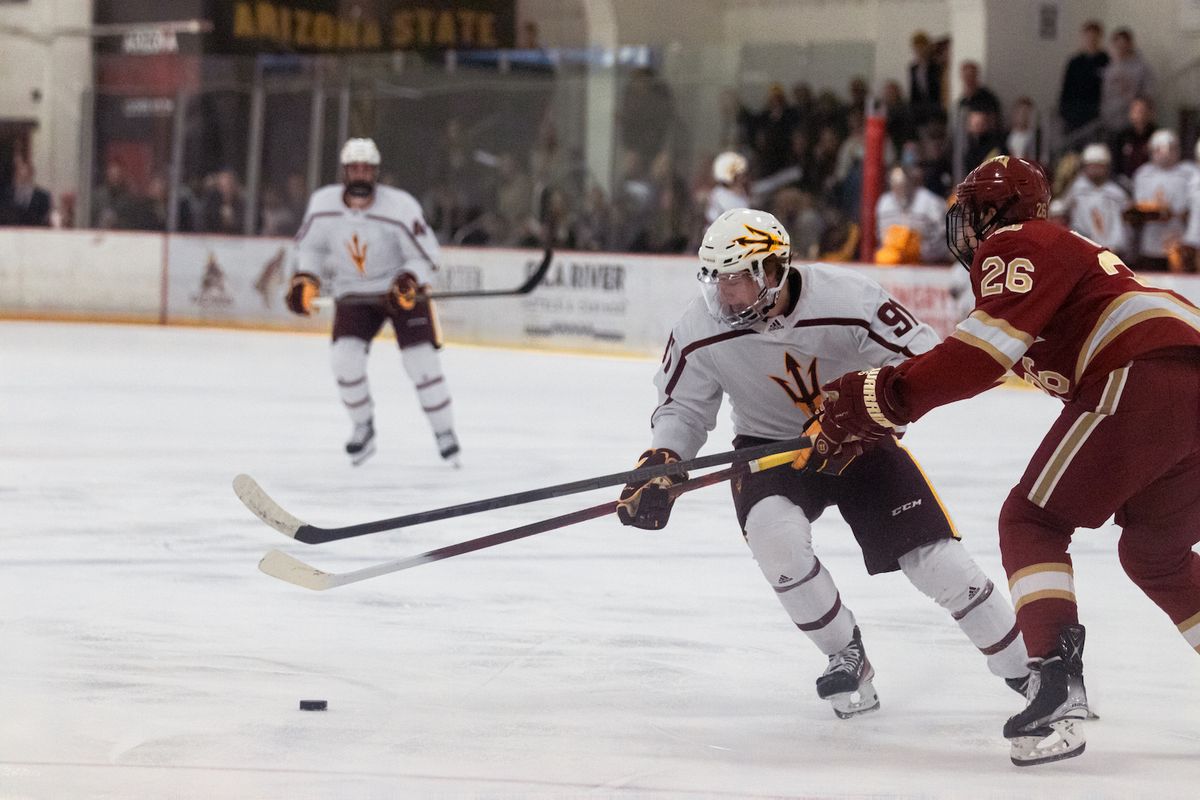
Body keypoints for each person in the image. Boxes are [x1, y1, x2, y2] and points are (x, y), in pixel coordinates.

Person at [814, 155, 1200, 765]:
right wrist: (881, 411)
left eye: (970, 213)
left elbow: (976, 359)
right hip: (1181, 379)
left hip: (1149, 370)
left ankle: (1055, 683)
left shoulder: (1015, 243)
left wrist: (876, 399)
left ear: (994, 211)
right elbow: (969, 364)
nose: (963, 229)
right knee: (1154, 554)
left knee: (1032, 520)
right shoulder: (1055, 260)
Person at [616, 207, 1030, 720]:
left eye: (738, 279)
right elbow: (683, 407)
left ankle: (1031, 672)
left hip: (861, 441)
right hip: (769, 448)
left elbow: (922, 360)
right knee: (775, 539)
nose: (725, 292)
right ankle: (844, 653)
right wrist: (664, 460)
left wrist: (875, 412)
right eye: (717, 278)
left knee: (936, 562)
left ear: (772, 271)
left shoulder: (848, 299)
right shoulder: (700, 329)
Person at [286, 137, 460, 467]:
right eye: (355, 169)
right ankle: (362, 427)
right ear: (345, 172)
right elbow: (310, 248)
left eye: (367, 169)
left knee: (421, 362)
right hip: (353, 293)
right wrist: (305, 278)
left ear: (376, 172)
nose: (361, 175)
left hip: (400, 293)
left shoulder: (401, 206)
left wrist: (409, 278)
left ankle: (445, 432)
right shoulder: (323, 204)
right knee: (344, 360)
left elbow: (427, 256)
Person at [1129, 129, 1192, 271]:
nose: (1165, 154)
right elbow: (1139, 207)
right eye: (1159, 150)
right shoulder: (1142, 174)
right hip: (1151, 241)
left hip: (1180, 239)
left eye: (1171, 149)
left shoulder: (1189, 173)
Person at [1065, 143, 1132, 257]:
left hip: (1113, 250)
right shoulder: (1075, 190)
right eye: (1091, 166)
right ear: (1084, 167)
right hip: (1083, 250)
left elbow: (1127, 223)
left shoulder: (1117, 192)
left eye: (1099, 166)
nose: (1095, 170)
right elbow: (1063, 217)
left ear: (1107, 167)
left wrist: (1119, 245)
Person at [1057, 20, 1109, 135]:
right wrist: (1063, 110)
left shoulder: (1106, 60)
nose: (1091, 40)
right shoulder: (1074, 61)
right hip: (1074, 110)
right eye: (1088, 37)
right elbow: (1066, 87)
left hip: (1096, 111)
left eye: (1094, 37)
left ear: (1100, 38)